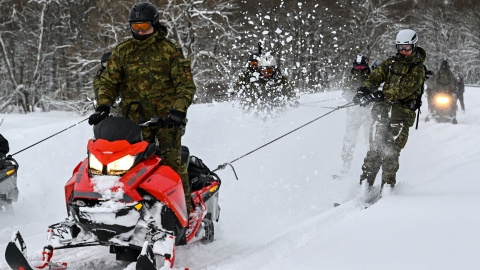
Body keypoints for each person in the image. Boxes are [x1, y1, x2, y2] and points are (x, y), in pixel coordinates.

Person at [88, 2, 197, 217]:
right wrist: (103, 105)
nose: (140, 32)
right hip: (131, 122)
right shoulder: (123, 51)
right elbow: (108, 81)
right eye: (135, 27)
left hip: (166, 121)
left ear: (154, 25)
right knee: (121, 167)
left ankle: (184, 213)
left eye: (144, 27)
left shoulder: (169, 51)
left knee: (171, 163)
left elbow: (185, 85)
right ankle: (122, 210)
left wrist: (177, 111)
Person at [352, 29, 426, 192]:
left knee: (390, 153)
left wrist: (382, 94)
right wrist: (364, 90)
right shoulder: (391, 63)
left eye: (407, 48)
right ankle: (364, 187)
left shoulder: (418, 68)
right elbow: (375, 76)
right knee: (374, 152)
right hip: (381, 115)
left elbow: (405, 89)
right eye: (400, 47)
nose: (403, 51)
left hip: (400, 117)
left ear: (414, 46)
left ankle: (387, 189)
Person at [339, 54, 373, 174]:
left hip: (369, 112)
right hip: (354, 113)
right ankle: (345, 167)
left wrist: (368, 97)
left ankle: (371, 167)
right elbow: (345, 90)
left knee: (370, 139)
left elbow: (376, 88)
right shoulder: (350, 76)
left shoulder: (372, 74)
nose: (359, 69)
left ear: (366, 65)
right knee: (349, 139)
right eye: (357, 67)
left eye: (362, 67)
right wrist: (352, 97)